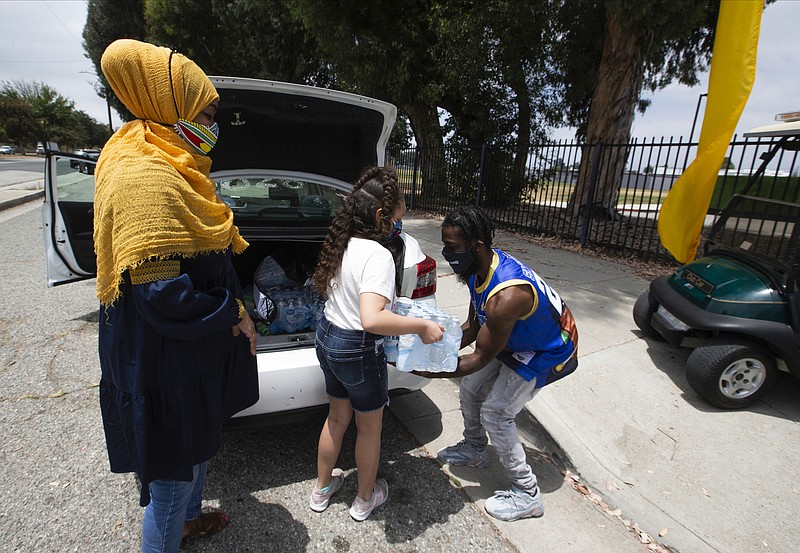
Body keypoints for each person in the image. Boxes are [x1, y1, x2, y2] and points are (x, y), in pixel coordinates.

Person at [93, 39, 259, 552]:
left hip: (188, 351)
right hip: (162, 357)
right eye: (205, 113)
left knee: (196, 450)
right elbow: (162, 296)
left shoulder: (172, 162)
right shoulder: (145, 175)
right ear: (170, 105)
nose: (212, 125)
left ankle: (188, 522)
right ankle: (173, 525)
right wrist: (232, 310)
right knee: (170, 481)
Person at [414, 205, 579, 522]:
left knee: (497, 412)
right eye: (445, 244)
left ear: (476, 245)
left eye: (452, 247)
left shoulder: (505, 296)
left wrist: (428, 369)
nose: (447, 253)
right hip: (520, 338)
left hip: (549, 349)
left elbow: (478, 357)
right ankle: (476, 449)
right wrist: (432, 348)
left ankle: (528, 493)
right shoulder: (481, 268)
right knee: (471, 389)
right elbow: (473, 329)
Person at [310, 166, 444, 521]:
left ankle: (322, 489)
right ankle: (365, 498)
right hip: (356, 347)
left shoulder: (342, 240)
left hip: (328, 336)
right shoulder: (379, 256)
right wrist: (421, 326)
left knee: (337, 418)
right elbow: (372, 319)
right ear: (381, 216)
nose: (398, 229)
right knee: (369, 429)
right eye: (398, 220)